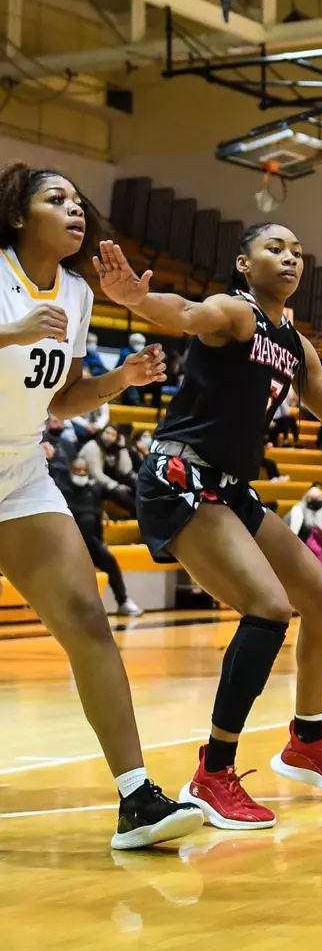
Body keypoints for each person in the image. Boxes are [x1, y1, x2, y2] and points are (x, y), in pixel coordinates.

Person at [95, 225, 322, 831]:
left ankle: (305, 743)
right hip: (181, 477)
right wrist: (134, 299)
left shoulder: (296, 346)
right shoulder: (236, 313)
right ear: (243, 262)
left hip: (229, 489)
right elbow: (183, 311)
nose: (290, 257)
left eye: (298, 251)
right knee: (268, 608)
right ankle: (213, 772)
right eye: (275, 248)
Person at [0, 162, 201, 849]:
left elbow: (61, 400)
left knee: (87, 618)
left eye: (79, 201)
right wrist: (11, 333)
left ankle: (136, 797)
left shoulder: (80, 294)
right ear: (20, 215)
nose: (75, 209)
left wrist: (118, 380)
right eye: (56, 199)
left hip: (22, 470)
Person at [58, 455, 142, 617]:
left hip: (92, 542)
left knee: (110, 563)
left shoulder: (94, 489)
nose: (81, 473)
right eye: (77, 470)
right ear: (70, 472)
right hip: (69, 545)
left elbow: (108, 497)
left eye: (84, 471)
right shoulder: (63, 490)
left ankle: (123, 602)